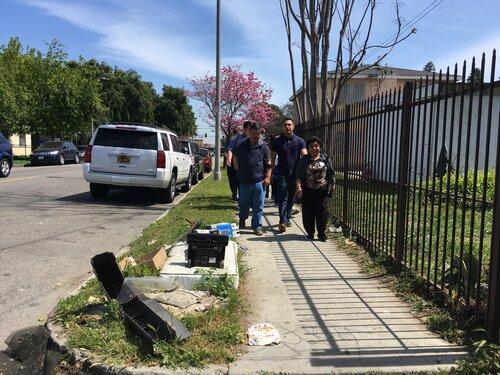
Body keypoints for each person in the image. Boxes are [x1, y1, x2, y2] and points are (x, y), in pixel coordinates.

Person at [233, 123, 272, 236]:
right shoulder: (241, 144)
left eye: (257, 134)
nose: (255, 136)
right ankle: (242, 218)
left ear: (260, 134)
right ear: (249, 132)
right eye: (253, 133)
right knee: (243, 205)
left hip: (259, 182)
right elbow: (235, 158)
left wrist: (268, 177)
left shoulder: (264, 146)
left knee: (258, 206)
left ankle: (257, 226)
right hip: (244, 182)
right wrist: (238, 169)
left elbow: (269, 163)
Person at [295, 137, 335, 242]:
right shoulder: (304, 160)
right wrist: (298, 186)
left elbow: (331, 173)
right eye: (311, 146)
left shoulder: (325, 158)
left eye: (316, 146)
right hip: (308, 191)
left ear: (320, 147)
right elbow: (299, 175)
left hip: (323, 191)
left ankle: (321, 234)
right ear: (308, 148)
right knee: (308, 213)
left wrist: (332, 185)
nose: (314, 148)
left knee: (322, 213)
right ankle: (310, 233)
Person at [271, 117, 307, 233]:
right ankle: (282, 221)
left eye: (289, 125)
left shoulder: (300, 141)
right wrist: (270, 172)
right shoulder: (277, 141)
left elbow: (304, 156)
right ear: (283, 126)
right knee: (283, 197)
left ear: (293, 126)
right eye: (285, 125)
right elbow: (272, 157)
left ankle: (287, 218)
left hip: (295, 175)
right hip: (281, 173)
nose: (287, 127)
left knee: (291, 197)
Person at [226, 122, 251, 200]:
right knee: (238, 183)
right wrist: (229, 158)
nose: (250, 131)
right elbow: (231, 149)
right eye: (248, 129)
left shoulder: (253, 138)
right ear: (244, 129)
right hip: (238, 165)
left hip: (249, 166)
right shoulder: (238, 139)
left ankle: (244, 200)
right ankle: (238, 198)